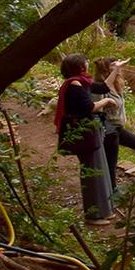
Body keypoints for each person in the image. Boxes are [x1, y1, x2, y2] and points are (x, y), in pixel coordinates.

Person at [54, 53, 114, 222]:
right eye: (86, 63)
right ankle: (94, 215)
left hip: (88, 132)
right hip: (84, 133)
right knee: (92, 173)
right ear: (80, 67)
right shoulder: (75, 85)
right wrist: (107, 101)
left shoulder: (81, 82)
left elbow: (102, 88)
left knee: (97, 170)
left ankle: (102, 210)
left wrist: (116, 70)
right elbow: (89, 107)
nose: (88, 65)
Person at [90, 57, 135, 182]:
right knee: (111, 161)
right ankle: (113, 191)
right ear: (107, 70)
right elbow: (95, 108)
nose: (118, 68)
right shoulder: (99, 88)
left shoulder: (115, 85)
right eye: (114, 66)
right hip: (109, 130)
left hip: (117, 128)